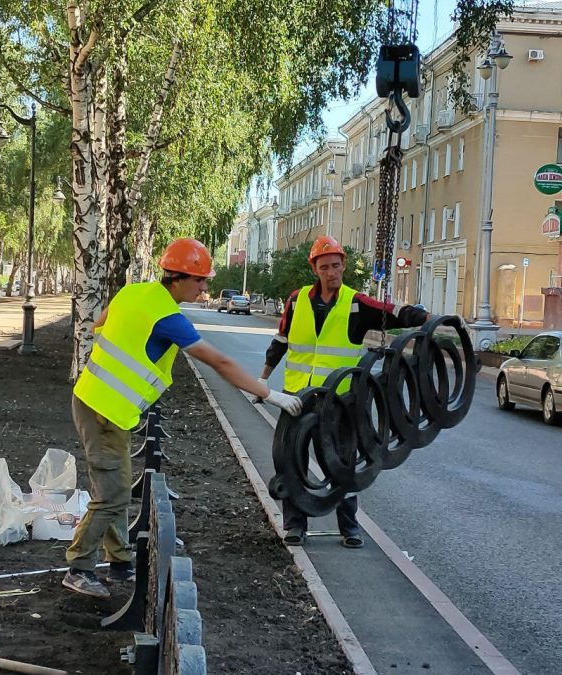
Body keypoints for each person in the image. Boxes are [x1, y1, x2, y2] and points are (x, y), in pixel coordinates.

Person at [63, 237, 303, 598]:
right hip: (106, 412)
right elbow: (219, 362)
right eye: (200, 280)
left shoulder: (133, 293)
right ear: (178, 278)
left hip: (94, 401)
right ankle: (79, 569)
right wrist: (269, 394)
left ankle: (120, 561)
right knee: (112, 494)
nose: (206, 287)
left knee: (115, 486)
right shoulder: (168, 318)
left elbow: (99, 324)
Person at [258, 235, 429, 549]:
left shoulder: (357, 303)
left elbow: (392, 312)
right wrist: (262, 381)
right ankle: (295, 526)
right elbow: (281, 342)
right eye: (324, 267)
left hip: (342, 400)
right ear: (315, 269)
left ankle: (349, 528)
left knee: (343, 463)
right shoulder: (297, 301)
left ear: (344, 266)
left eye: (336, 265)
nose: (331, 272)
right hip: (298, 396)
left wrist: (427, 319)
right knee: (291, 462)